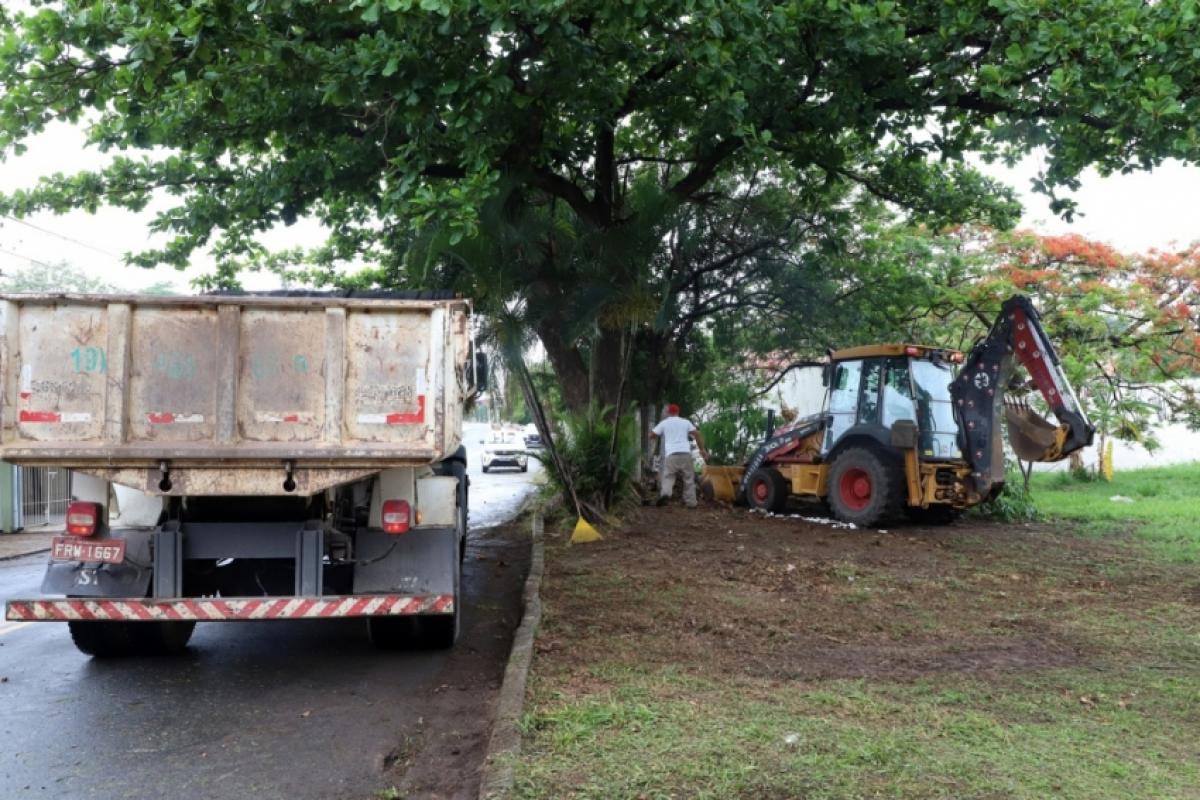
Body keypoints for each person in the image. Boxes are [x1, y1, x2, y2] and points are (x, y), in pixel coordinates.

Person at [649, 403, 709, 508]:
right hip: (685, 453)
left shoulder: (664, 423)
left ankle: (666, 495)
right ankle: (691, 503)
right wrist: (702, 450)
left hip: (671, 454)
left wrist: (655, 436)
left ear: (668, 413)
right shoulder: (685, 422)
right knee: (689, 478)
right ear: (678, 412)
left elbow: (652, 435)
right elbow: (697, 434)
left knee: (668, 476)